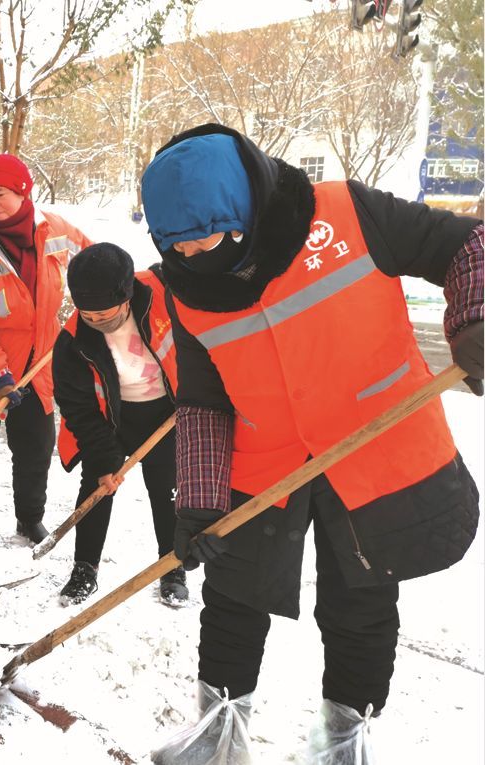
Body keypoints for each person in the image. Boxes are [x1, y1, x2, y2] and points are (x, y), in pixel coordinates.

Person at [140, 123, 482, 763]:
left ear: (245, 212)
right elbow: (205, 401)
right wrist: (199, 502)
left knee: (361, 604)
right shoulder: (187, 290)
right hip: (264, 465)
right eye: (176, 247)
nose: (193, 257)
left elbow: (469, 244)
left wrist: (475, 317)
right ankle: (217, 738)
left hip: (377, 452)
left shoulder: (348, 213)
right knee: (232, 602)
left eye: (207, 238)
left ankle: (341, 745)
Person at [0, 154, 93, 565]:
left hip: (38, 372)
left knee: (35, 451)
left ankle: (30, 519)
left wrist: (97, 301)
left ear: (23, 190)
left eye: (1, 194)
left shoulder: (56, 231)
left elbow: (93, 263)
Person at [53, 242, 187, 607]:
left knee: (167, 490)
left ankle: (172, 566)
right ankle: (84, 569)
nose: (96, 321)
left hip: (165, 412)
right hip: (109, 420)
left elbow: (199, 339)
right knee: (96, 490)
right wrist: (104, 456)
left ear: (126, 295)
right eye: (88, 315)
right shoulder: (72, 342)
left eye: (105, 314)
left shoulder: (164, 296)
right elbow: (77, 407)